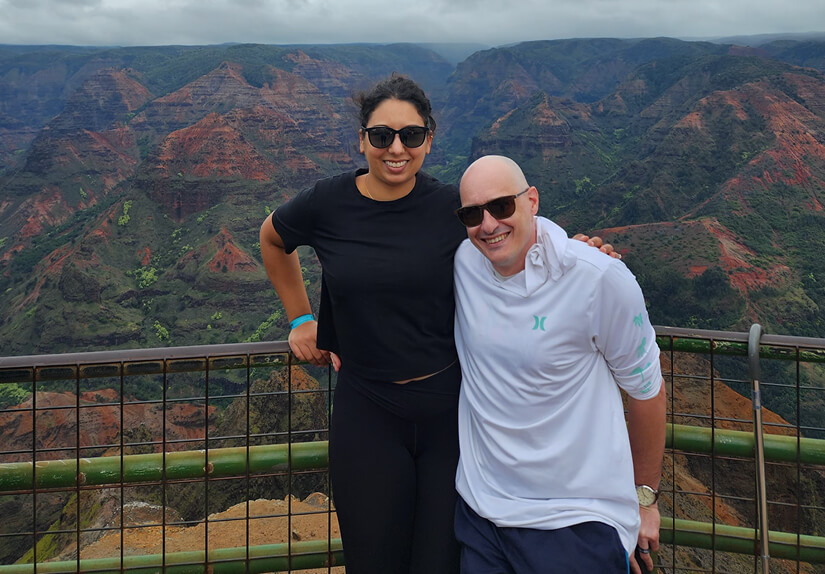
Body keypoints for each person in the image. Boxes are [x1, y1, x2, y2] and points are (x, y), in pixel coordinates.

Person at [259, 74, 615, 574]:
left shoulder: (450, 209)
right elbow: (273, 240)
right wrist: (300, 317)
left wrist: (580, 253)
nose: (396, 148)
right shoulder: (327, 203)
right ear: (362, 139)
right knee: (374, 560)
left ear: (429, 137)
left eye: (411, 134)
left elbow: (514, 240)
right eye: (381, 135)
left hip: (449, 412)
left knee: (439, 562)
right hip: (367, 409)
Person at [451, 155, 666, 574]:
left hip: (577, 523)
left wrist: (645, 500)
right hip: (482, 517)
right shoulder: (462, 263)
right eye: (472, 214)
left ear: (532, 200)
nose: (489, 224)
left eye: (502, 206)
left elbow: (647, 392)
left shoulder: (598, 279)